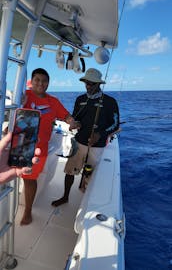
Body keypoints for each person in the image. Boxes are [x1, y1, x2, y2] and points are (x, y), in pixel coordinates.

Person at [51, 67, 120, 207]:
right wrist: (75, 123)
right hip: (79, 142)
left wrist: (100, 133)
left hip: (97, 146)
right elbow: (76, 117)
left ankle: (86, 199)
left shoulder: (110, 102)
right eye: (86, 83)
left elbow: (115, 124)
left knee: (91, 174)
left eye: (91, 83)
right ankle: (65, 196)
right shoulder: (80, 99)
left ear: (99, 84)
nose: (88, 86)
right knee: (70, 171)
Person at [21, 68, 76, 225]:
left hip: (39, 148)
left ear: (48, 83)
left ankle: (27, 211)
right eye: (37, 79)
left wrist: (71, 121)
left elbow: (66, 115)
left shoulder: (53, 101)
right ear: (32, 81)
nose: (41, 83)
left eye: (44, 80)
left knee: (30, 179)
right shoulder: (23, 95)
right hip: (20, 144)